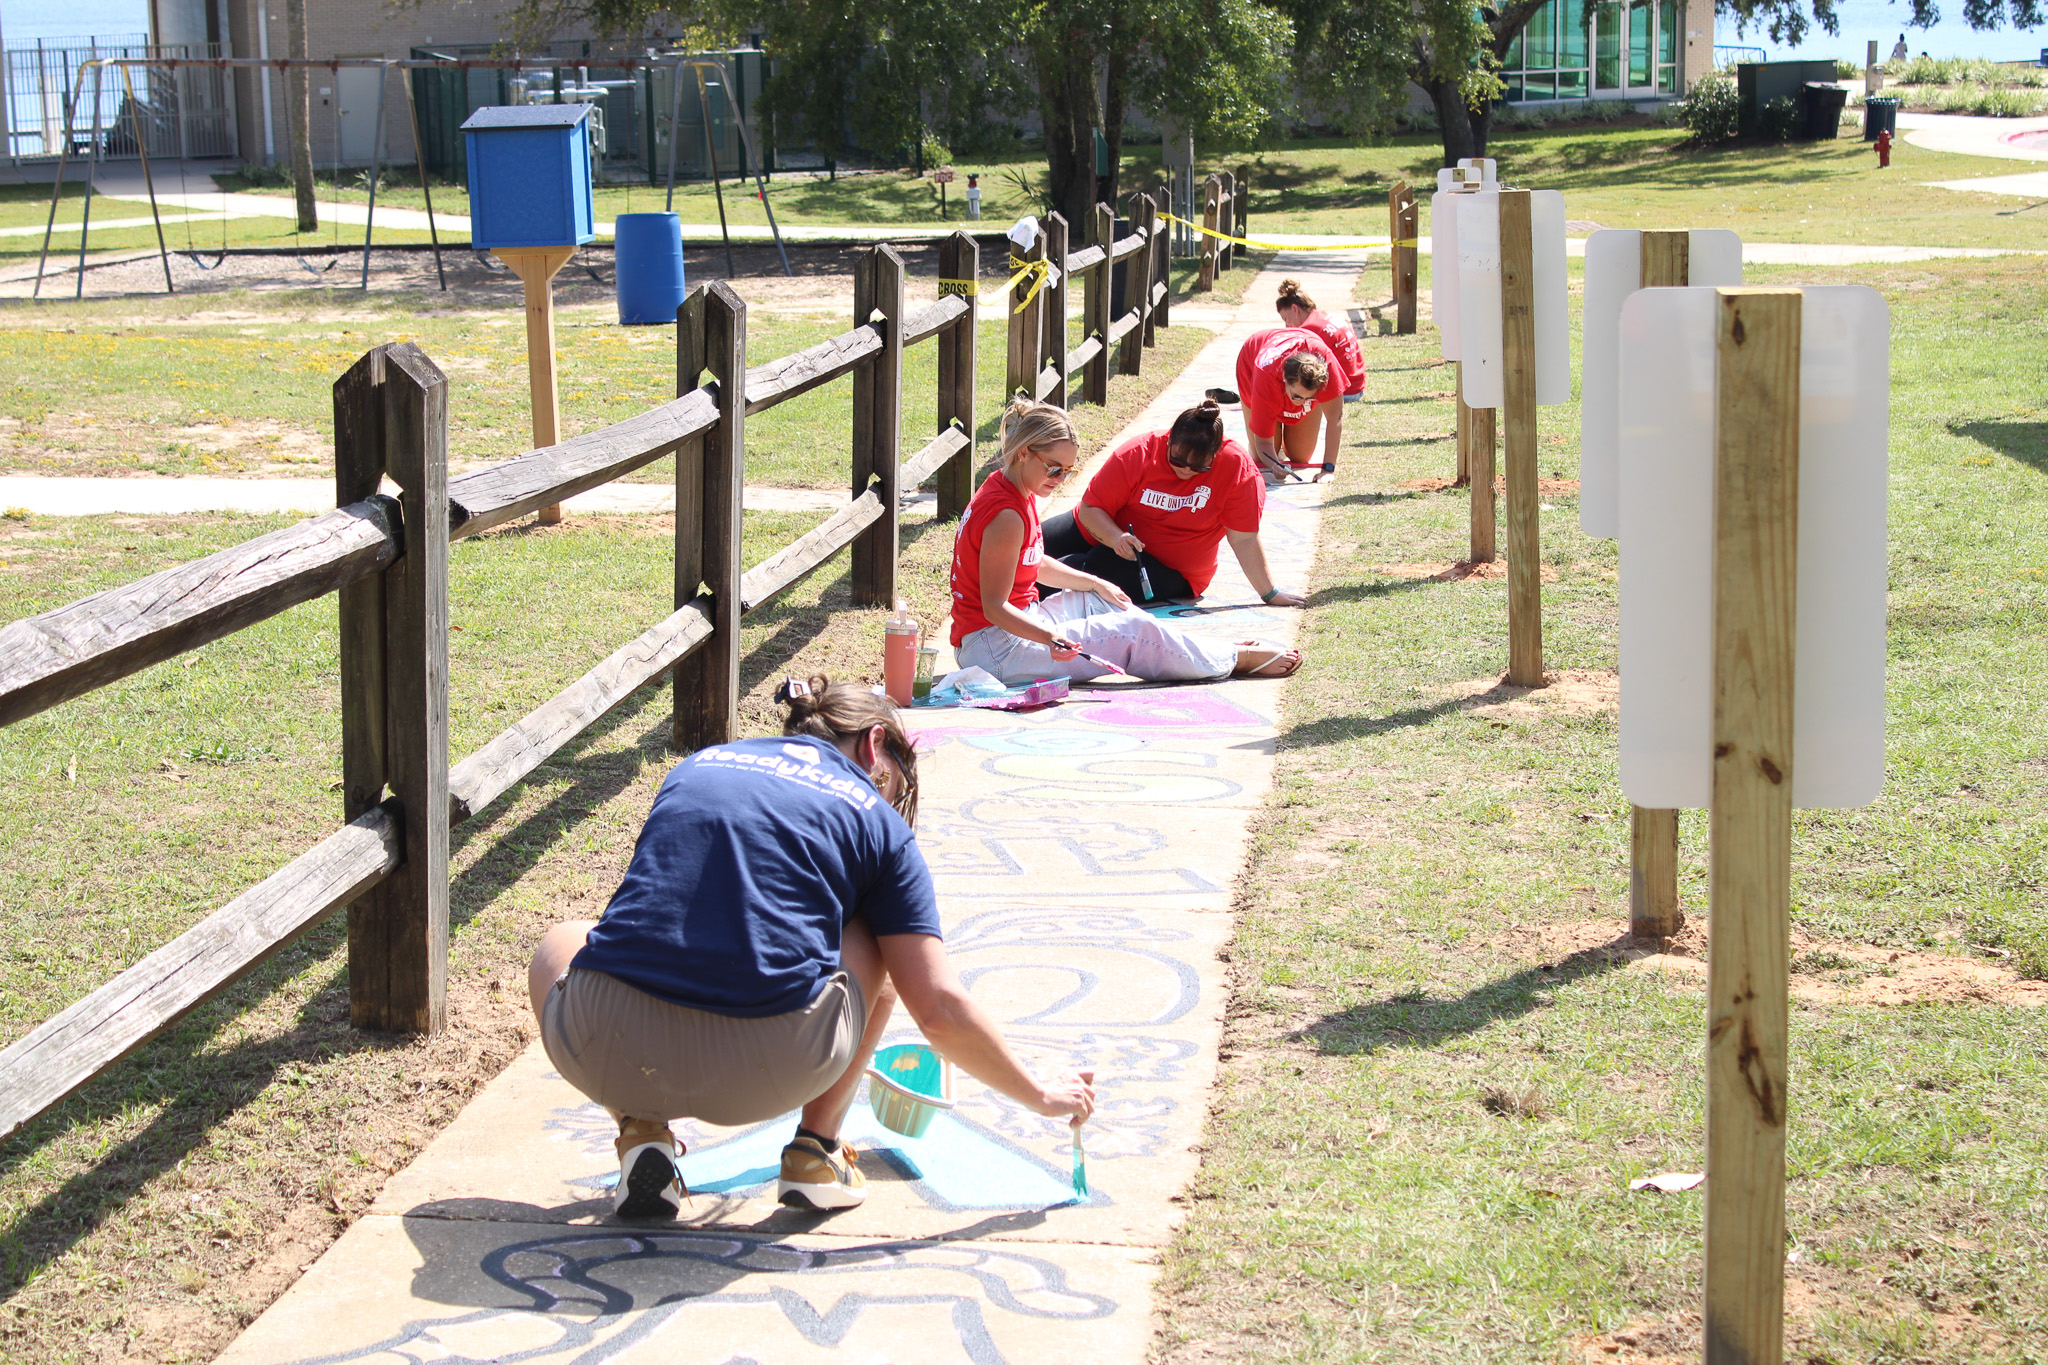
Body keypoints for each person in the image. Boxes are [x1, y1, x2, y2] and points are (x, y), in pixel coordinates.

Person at [527, 676, 1096, 1219]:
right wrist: (1039, 1093)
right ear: (875, 744)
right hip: (766, 1070)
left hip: (603, 1047)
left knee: (564, 938)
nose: (889, 798)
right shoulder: (876, 820)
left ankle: (641, 1131)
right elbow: (939, 1010)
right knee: (879, 936)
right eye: (894, 783)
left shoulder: (697, 765)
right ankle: (816, 1152)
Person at [950, 398, 1302, 683]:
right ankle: (1233, 658)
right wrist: (1050, 638)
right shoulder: (1007, 514)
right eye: (1054, 468)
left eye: (1068, 471)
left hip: (1012, 630)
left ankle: (1203, 650)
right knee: (1130, 631)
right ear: (1024, 452)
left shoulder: (1015, 486)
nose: (1059, 479)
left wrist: (1096, 584)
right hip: (996, 649)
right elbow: (994, 607)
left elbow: (1033, 561)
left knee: (1112, 604)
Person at [1041, 399, 1307, 608]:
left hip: (1171, 569)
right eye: (1177, 461)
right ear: (1169, 440)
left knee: (1074, 570)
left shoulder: (1238, 471)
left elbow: (1244, 539)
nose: (1186, 471)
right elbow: (1090, 509)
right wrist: (1115, 538)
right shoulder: (1138, 453)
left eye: (1199, 467)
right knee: (1027, 545)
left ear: (1217, 453)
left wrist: (1269, 593)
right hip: (1104, 531)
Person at [1234, 326, 1344, 483]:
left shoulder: (1326, 365)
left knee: (1300, 456)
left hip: (1294, 368)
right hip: (1253, 364)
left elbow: (1336, 418)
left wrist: (1328, 469)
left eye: (1311, 398)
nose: (1303, 403)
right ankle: (1275, 419)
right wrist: (1273, 465)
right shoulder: (1265, 375)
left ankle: (1295, 403)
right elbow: (1263, 442)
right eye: (1298, 396)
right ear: (1284, 378)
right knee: (1261, 456)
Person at [1272, 279, 1365, 404]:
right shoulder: (1323, 316)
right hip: (1357, 386)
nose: (1287, 327)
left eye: (1286, 319)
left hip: (1345, 392)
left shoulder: (1309, 330)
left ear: (1295, 309)